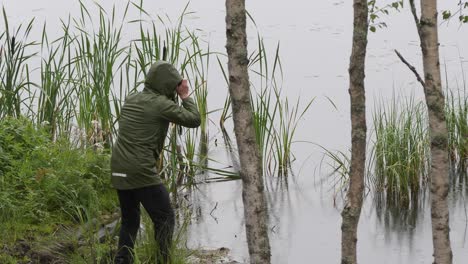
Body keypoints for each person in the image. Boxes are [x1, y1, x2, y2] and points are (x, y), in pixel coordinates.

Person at [111, 61, 201, 264]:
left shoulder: (131, 98)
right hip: (140, 170)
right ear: (168, 84)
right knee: (165, 217)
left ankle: (122, 260)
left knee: (130, 220)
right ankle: (163, 260)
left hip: (118, 168)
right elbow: (194, 119)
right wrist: (185, 96)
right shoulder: (162, 105)